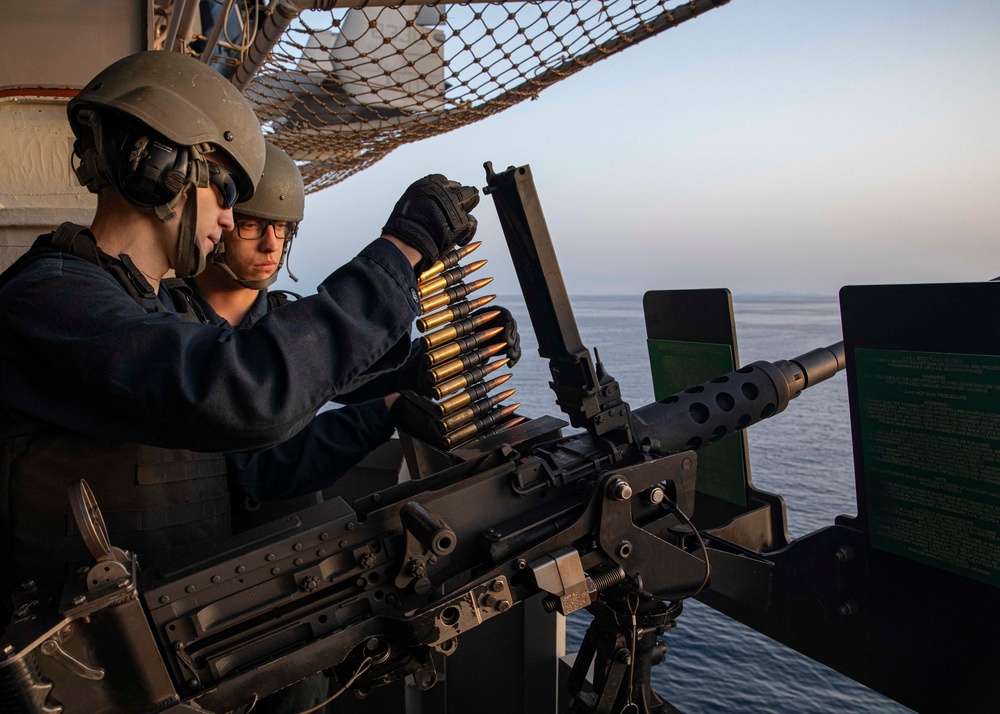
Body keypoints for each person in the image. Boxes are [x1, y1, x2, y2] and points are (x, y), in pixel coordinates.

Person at [0, 50, 479, 622]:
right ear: (165, 169)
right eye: (225, 191)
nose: (229, 220)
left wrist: (414, 370)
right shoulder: (51, 298)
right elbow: (244, 389)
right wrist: (399, 252)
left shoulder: (150, 307)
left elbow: (281, 375)